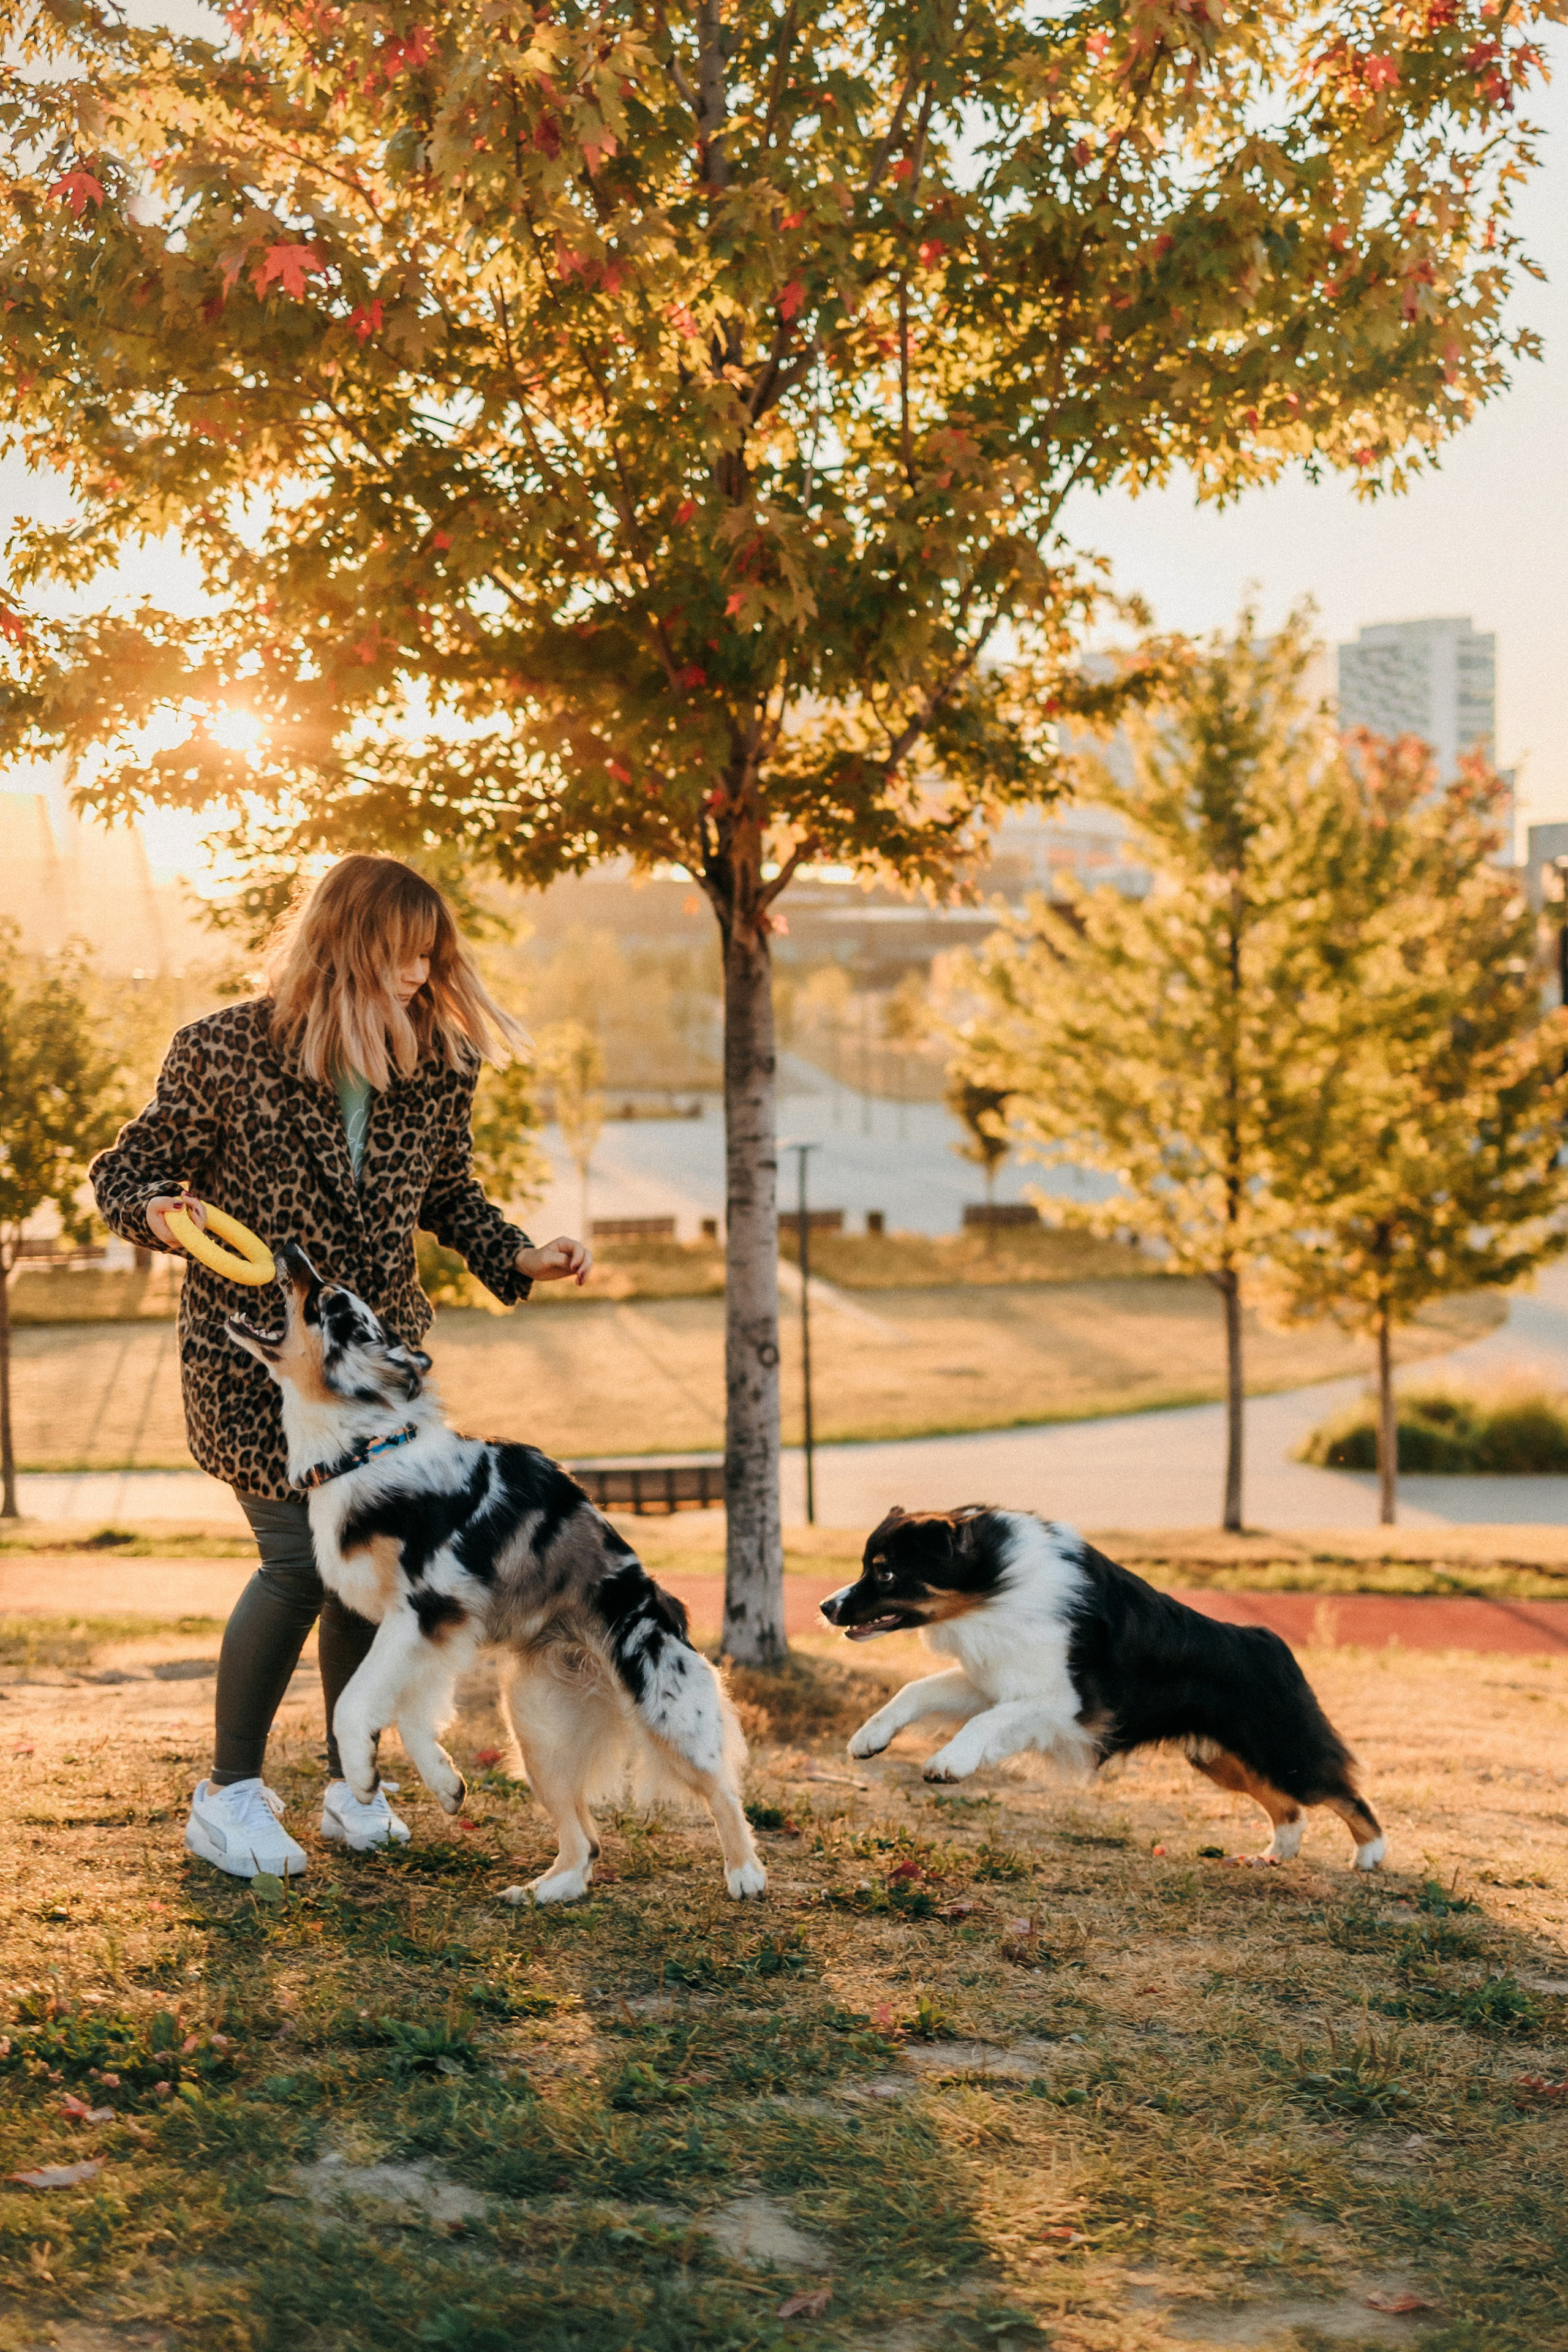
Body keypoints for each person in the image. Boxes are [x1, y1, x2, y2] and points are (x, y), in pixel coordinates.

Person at [91, 854, 591, 1880]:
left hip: (381, 1381)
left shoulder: (438, 1059)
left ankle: (349, 1784)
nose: (422, 970)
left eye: (433, 952)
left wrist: (517, 1253)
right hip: (263, 1365)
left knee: (358, 1582)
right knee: (295, 1564)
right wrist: (156, 1212)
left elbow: (448, 1192)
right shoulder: (224, 1050)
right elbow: (125, 1170)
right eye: (404, 951)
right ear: (347, 943)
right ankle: (228, 1796)